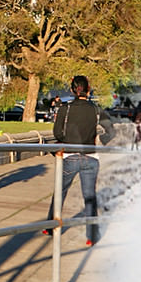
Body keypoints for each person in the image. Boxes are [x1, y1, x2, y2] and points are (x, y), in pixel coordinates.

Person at [44, 75, 102, 245]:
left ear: (72, 90)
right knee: (90, 196)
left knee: (60, 191)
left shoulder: (65, 108)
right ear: (88, 89)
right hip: (90, 156)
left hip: (69, 155)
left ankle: (51, 226)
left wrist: (68, 138)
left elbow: (57, 133)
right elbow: (108, 130)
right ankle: (92, 235)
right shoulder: (95, 109)